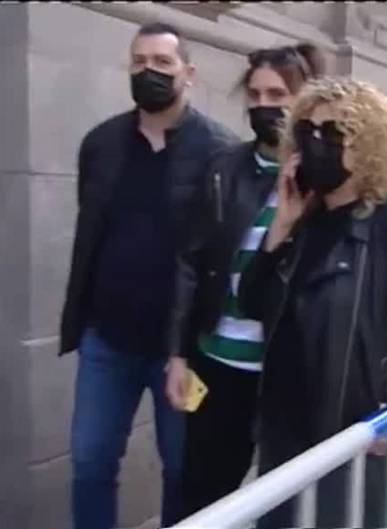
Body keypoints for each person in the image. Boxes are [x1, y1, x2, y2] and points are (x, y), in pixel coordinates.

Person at [237, 78, 387, 528]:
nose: (317, 143)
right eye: (308, 131)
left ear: (368, 146)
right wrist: (280, 229)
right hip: (287, 443)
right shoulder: (301, 220)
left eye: (334, 134)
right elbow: (253, 304)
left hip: (362, 449)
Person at [58, 23, 238, 529]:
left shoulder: (220, 152)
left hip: (181, 352)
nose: (149, 72)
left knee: (182, 470)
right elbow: (90, 232)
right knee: (91, 462)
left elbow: (219, 253)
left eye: (162, 63)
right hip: (106, 341)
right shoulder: (100, 144)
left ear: (189, 74)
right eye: (139, 62)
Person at [163, 44, 323, 518]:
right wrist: (176, 352)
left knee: (285, 505)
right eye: (254, 94)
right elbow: (190, 262)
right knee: (203, 498)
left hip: (285, 372)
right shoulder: (225, 168)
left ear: (305, 99)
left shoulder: (325, 182)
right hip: (218, 366)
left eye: (277, 93)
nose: (262, 104)